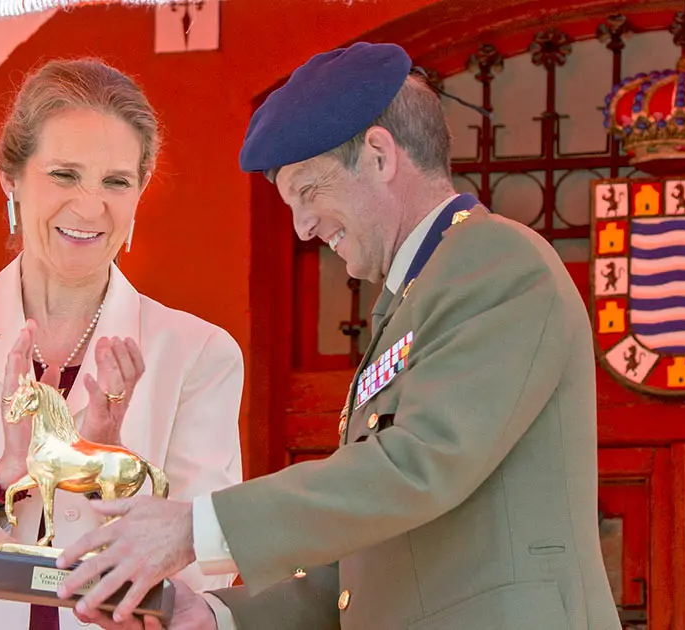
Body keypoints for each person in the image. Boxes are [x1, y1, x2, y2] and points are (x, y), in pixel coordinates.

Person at [54, 42, 622, 629]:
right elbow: (364, 560)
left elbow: (420, 465)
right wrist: (218, 617)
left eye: (308, 192)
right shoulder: (411, 300)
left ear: (378, 155)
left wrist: (196, 528)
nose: (302, 227)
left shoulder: (495, 259)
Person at [0, 58, 244, 630]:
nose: (88, 206)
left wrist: (107, 466)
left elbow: (207, 580)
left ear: (140, 190)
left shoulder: (201, 354)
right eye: (63, 174)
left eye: (116, 181)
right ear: (11, 178)